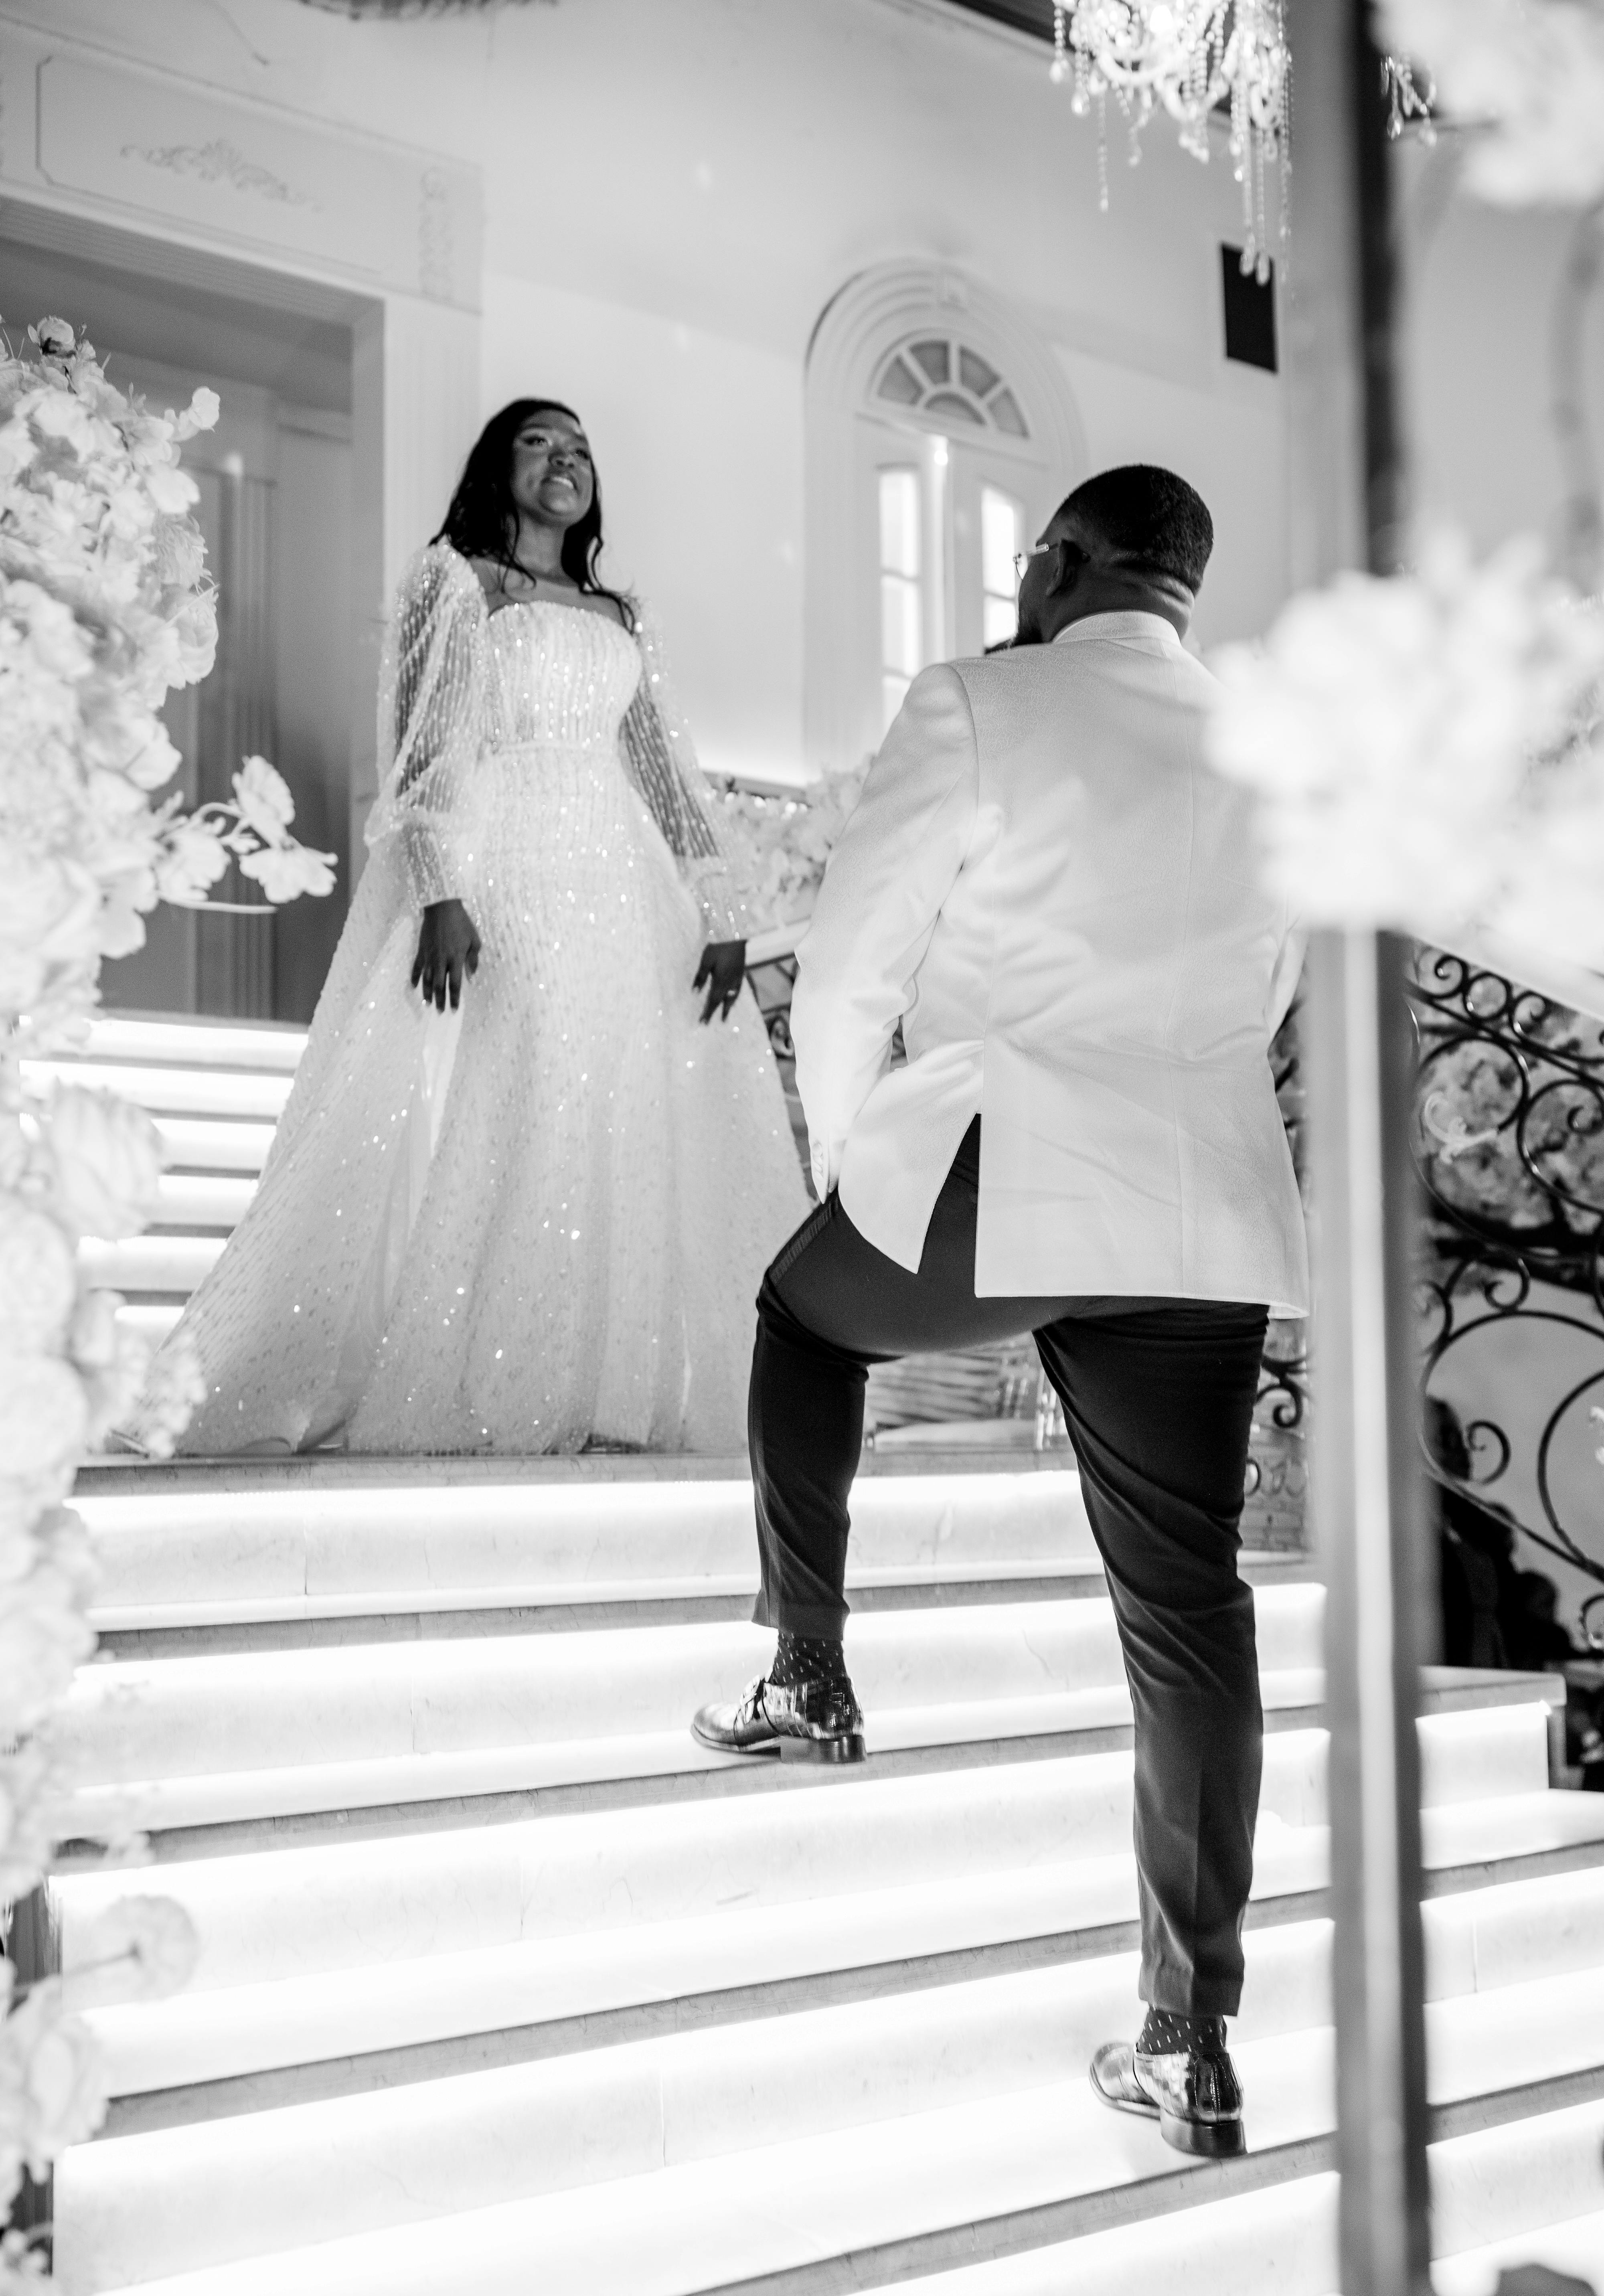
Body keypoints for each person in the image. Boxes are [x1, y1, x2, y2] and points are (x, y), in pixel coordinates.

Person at [692, 466, 1309, 2160]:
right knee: (1190, 1612)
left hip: (1010, 1168)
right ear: (1183, 587)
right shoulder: (1271, 744)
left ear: (1054, 563)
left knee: (803, 1319)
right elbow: (1268, 985)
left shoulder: (979, 696)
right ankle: (1190, 2038)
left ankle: (808, 1668)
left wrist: (850, 1168)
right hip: (1197, 1205)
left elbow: (856, 960)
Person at [127, 399, 806, 1456]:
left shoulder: (619, 613)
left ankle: (610, 1389)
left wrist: (719, 908)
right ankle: (497, 1381)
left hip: (626, 884)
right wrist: (443, 892)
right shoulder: (452, 582)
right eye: (542, 441)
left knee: (621, 1103)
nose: (566, 460)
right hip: (512, 861)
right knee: (533, 1077)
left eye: (582, 448)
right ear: (500, 465)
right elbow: (422, 755)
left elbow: (664, 776)